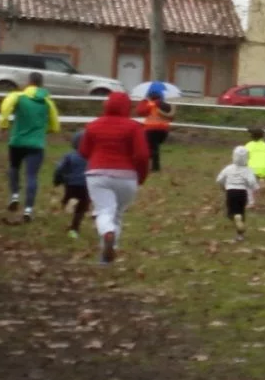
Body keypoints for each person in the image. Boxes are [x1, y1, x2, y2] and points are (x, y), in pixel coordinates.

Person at [78, 92, 150, 264]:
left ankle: (107, 234)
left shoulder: (93, 125)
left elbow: (83, 151)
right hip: (127, 177)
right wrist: (141, 176)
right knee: (116, 214)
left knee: (104, 211)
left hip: (98, 173)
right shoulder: (134, 127)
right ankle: (108, 255)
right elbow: (142, 155)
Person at [0, 72, 60, 222]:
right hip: (36, 144)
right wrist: (47, 130)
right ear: (41, 84)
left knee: (14, 168)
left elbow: (5, 107)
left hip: (17, 141)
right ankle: (28, 209)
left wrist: (4, 124)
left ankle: (14, 195)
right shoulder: (47, 102)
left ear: (28, 82)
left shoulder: (18, 96)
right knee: (32, 176)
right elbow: (55, 123)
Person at [216, 146, 260, 241]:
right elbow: (252, 182)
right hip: (242, 193)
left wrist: (223, 186)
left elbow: (219, 179)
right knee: (241, 211)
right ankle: (240, 235)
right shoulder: (248, 170)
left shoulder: (228, 168)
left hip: (231, 192)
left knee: (230, 213)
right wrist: (256, 188)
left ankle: (235, 217)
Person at [52, 131, 90, 239]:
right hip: (86, 185)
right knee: (81, 208)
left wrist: (57, 180)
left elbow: (60, 169)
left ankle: (65, 203)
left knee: (69, 196)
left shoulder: (69, 156)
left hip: (71, 184)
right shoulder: (92, 156)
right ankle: (74, 229)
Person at [136, 92, 175, 173]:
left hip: (151, 129)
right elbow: (171, 118)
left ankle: (153, 167)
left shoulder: (150, 104)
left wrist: (144, 101)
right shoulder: (166, 105)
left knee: (151, 148)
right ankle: (154, 166)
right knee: (155, 147)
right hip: (164, 130)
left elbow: (140, 112)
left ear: (150, 97)